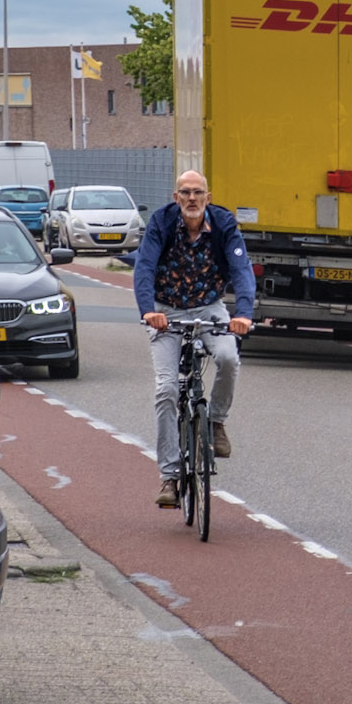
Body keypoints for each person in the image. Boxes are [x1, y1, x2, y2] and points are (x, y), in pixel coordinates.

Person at [133, 170, 255, 509]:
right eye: (185, 192)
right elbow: (144, 267)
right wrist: (148, 311)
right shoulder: (161, 223)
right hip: (166, 311)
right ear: (176, 198)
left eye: (197, 192)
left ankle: (216, 422)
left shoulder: (224, 225)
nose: (191, 198)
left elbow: (242, 270)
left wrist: (244, 314)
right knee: (167, 389)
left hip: (209, 307)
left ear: (208, 197)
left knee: (228, 358)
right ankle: (170, 477)